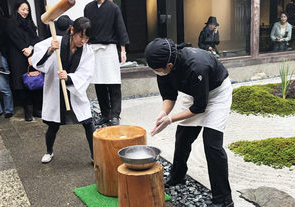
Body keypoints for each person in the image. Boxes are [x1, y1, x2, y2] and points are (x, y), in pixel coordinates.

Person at [144, 38, 233, 207]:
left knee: (212, 144)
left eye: (156, 70)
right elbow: (169, 96)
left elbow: (200, 107)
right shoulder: (162, 65)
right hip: (195, 94)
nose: (155, 72)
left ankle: (224, 200)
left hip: (217, 94)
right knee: (183, 136)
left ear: (169, 66)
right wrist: (163, 113)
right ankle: (177, 176)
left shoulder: (196, 66)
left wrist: (170, 120)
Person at [31, 17, 95, 163]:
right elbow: (36, 60)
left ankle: (94, 155)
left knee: (87, 122)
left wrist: (69, 77)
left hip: (74, 91)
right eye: (81, 36)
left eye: (87, 37)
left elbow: (86, 73)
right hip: (55, 89)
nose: (83, 41)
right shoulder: (55, 41)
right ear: (72, 30)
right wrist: (49, 51)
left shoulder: (87, 51)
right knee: (54, 125)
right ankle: (49, 151)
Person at [84, 0, 129, 126]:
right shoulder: (88, 8)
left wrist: (123, 50)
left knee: (114, 83)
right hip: (93, 48)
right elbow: (86, 29)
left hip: (109, 48)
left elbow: (121, 29)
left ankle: (115, 115)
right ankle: (105, 114)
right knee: (99, 83)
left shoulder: (114, 8)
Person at [6, 0, 41, 121]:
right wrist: (25, 50)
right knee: (22, 84)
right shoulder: (11, 23)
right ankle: (27, 110)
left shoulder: (30, 23)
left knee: (35, 81)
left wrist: (30, 49)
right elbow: (15, 39)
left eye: (27, 10)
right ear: (17, 9)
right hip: (18, 57)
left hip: (31, 56)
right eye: (23, 9)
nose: (25, 12)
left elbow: (35, 39)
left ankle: (36, 109)